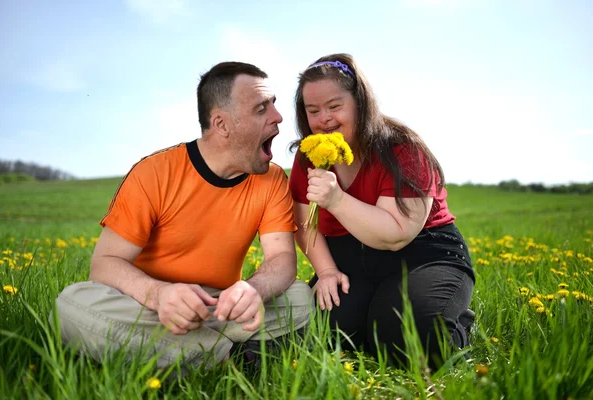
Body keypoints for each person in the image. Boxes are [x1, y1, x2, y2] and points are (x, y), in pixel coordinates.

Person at [51, 61, 313, 369]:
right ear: (222, 124)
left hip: (219, 307)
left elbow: (282, 260)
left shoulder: (270, 180)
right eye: (261, 109)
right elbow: (104, 264)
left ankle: (190, 356)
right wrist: (158, 295)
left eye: (273, 105)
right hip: (146, 306)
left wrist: (251, 289)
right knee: (70, 304)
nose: (278, 117)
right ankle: (234, 357)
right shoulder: (154, 173)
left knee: (298, 296)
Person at [288, 53, 475, 368]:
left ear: (360, 103)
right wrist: (326, 271)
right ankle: (374, 310)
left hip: (420, 255)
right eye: (313, 111)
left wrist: (337, 200)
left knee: (413, 343)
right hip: (351, 261)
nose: (324, 119)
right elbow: (303, 224)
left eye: (335, 106)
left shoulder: (402, 148)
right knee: (326, 336)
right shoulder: (311, 155)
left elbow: (395, 236)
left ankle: (456, 321)